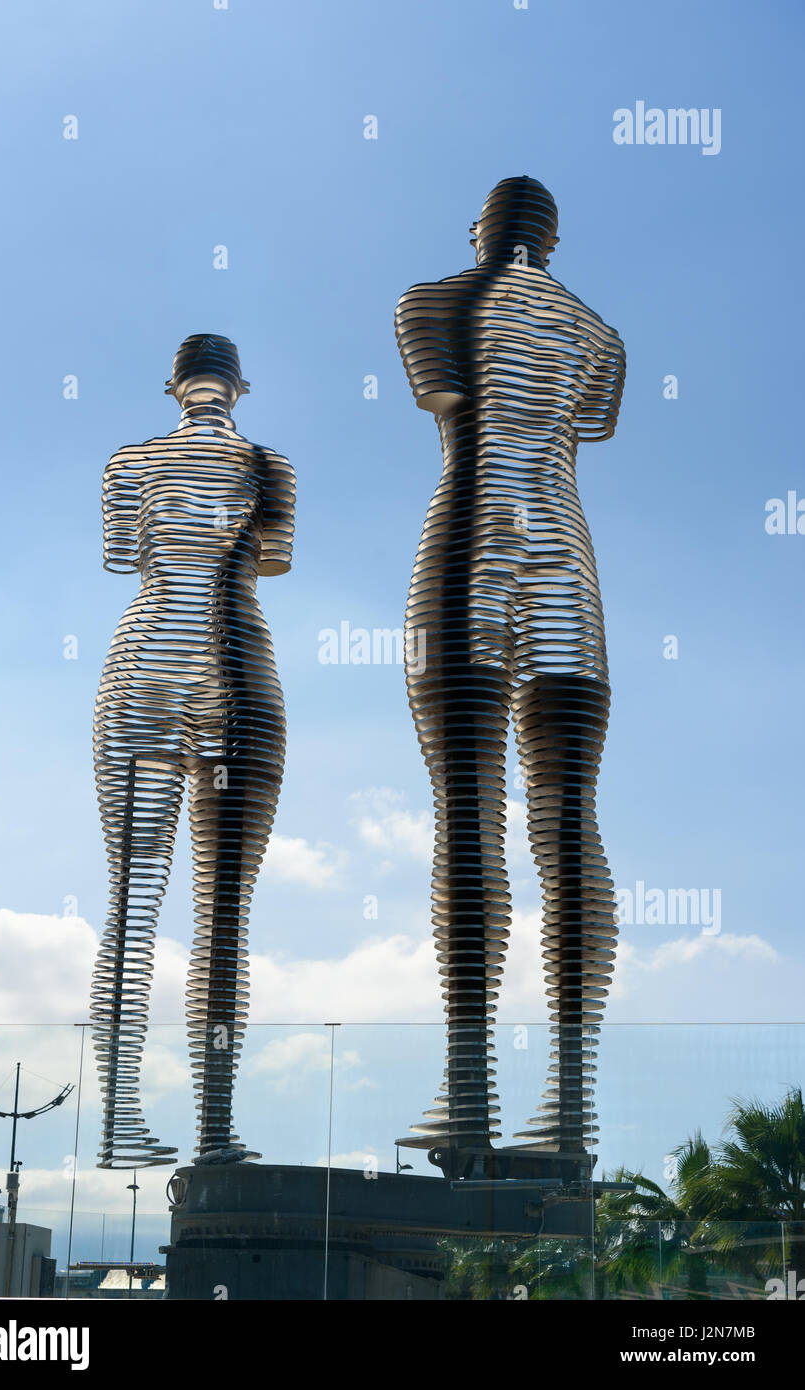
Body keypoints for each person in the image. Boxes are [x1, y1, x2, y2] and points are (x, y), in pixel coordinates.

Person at [395, 178, 625, 1172]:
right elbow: (599, 426)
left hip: (468, 545)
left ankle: (469, 1089)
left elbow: (444, 398)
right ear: (557, 239)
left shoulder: (430, 302)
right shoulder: (600, 335)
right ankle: (570, 1102)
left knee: (467, 805)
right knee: (568, 814)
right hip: (567, 559)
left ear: (478, 229)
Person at [91, 333, 294, 1168]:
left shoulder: (125, 463)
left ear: (171, 385)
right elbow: (272, 564)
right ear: (241, 388)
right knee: (224, 911)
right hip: (237, 661)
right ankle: (215, 1127)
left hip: (143, 656)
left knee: (132, 900)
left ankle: (120, 1122)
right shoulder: (270, 466)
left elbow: (119, 560)